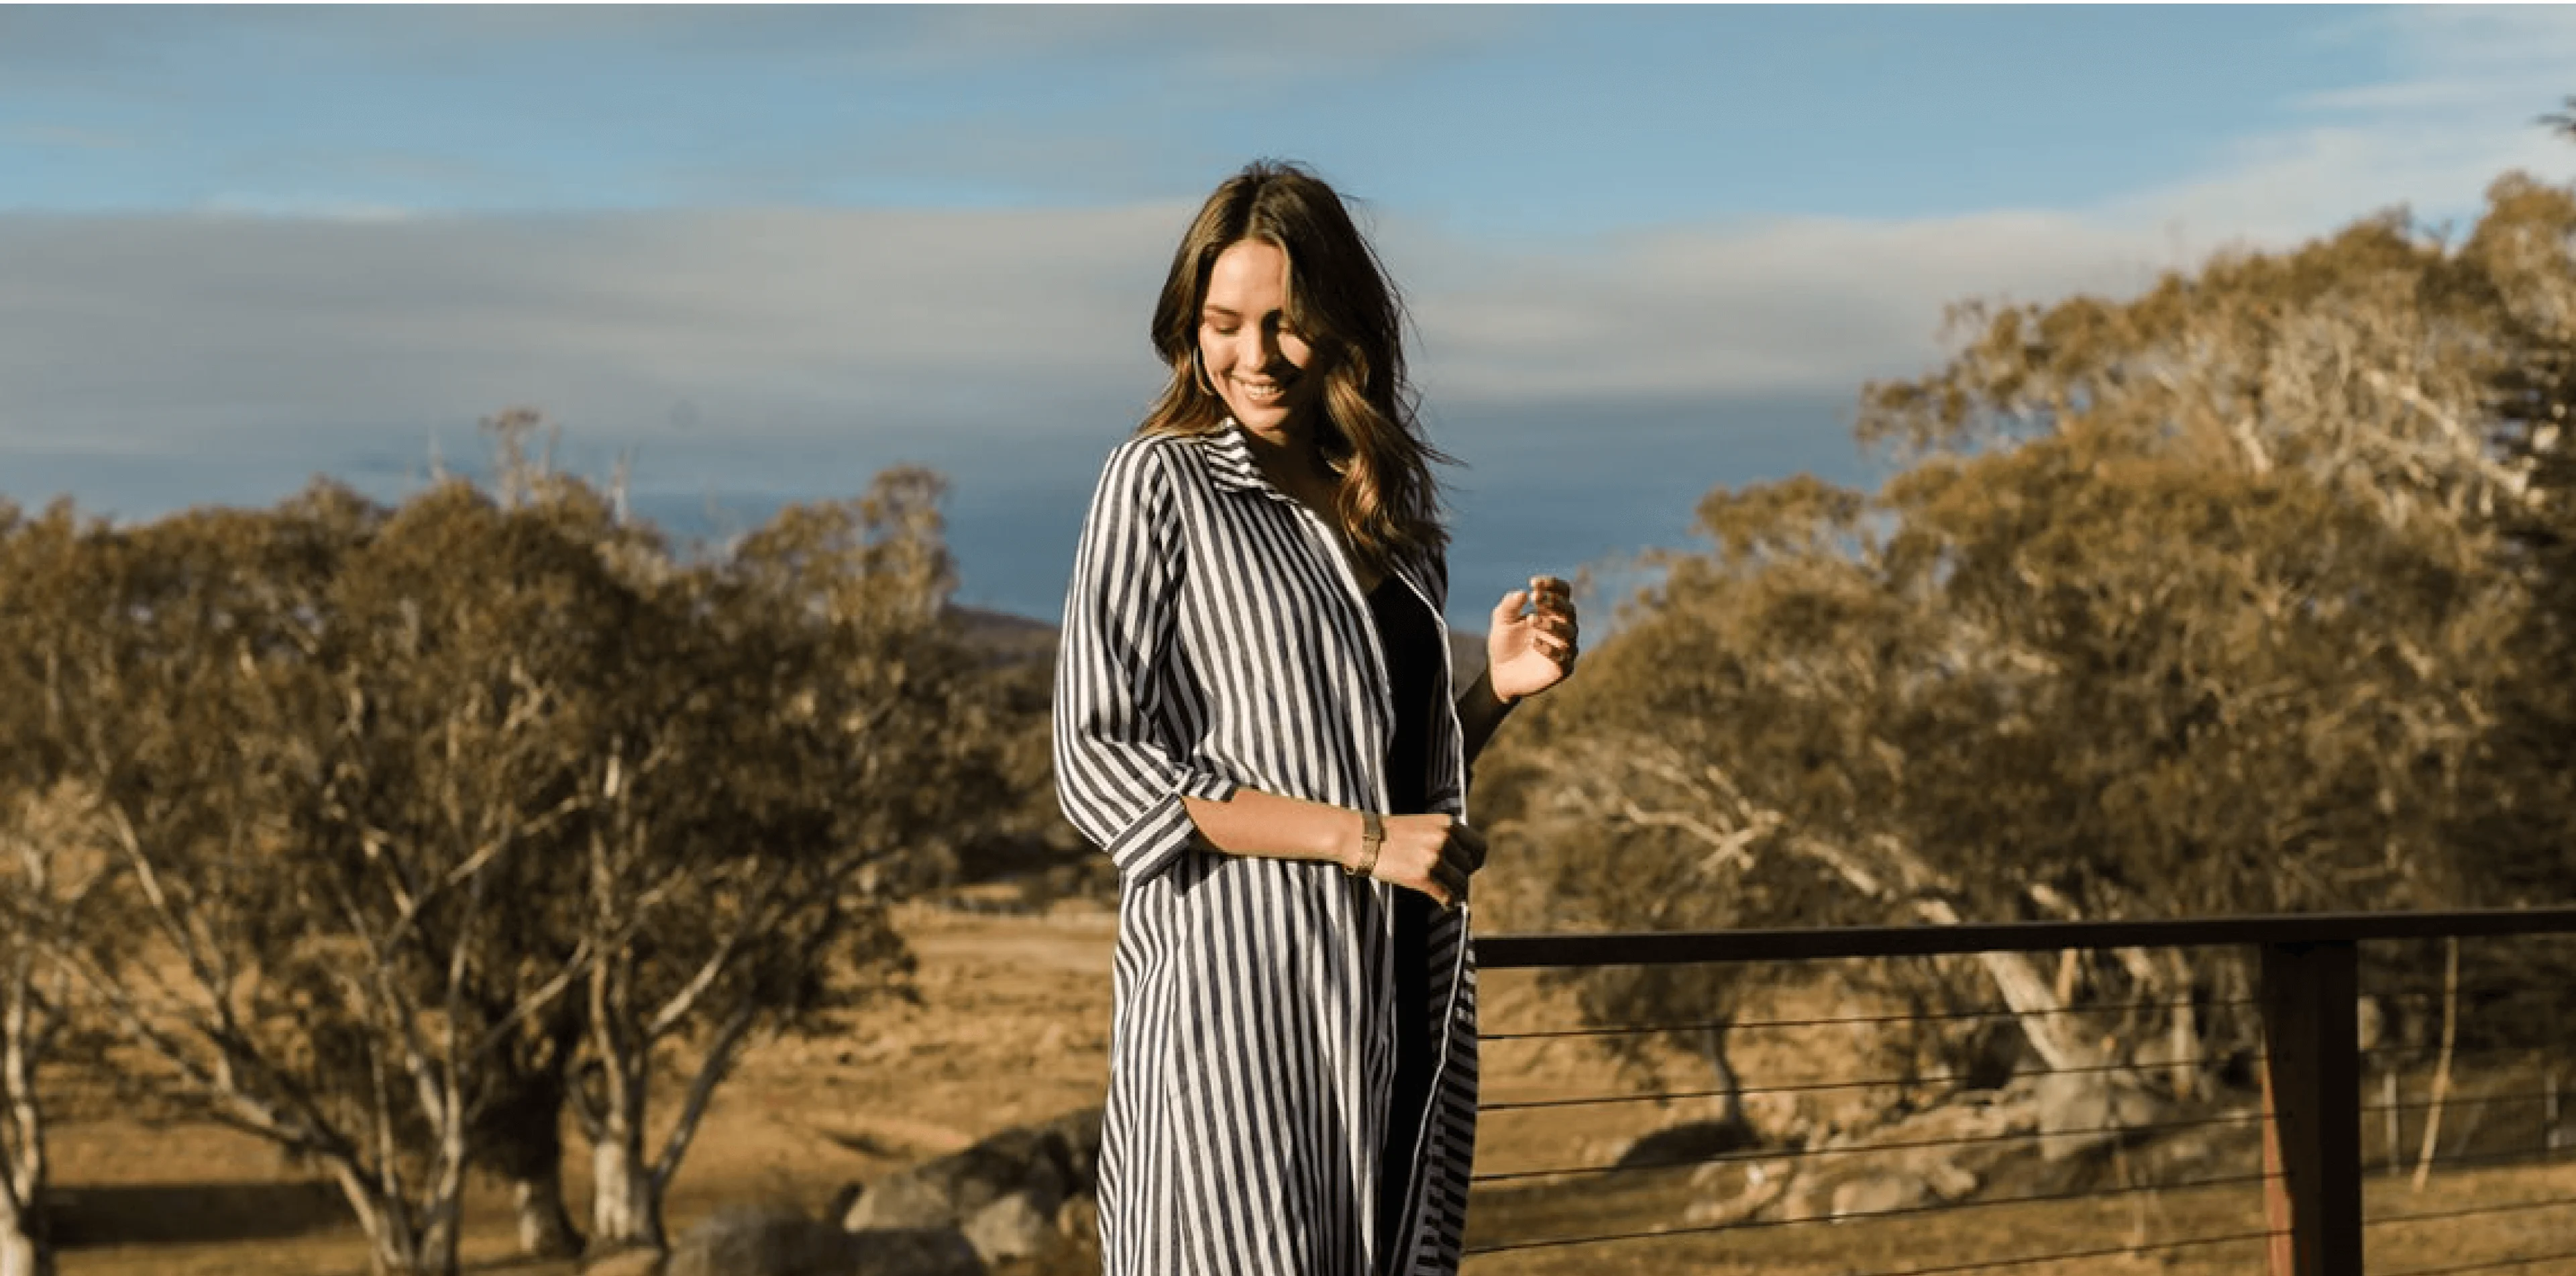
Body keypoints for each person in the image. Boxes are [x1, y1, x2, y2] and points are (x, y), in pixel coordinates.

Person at [1053, 159, 1580, 1276]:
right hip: (1234, 1005)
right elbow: (1099, 761)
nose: (1253, 355)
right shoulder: (1158, 483)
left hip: (1392, 1003)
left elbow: (1382, 769)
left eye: (1286, 324)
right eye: (1223, 323)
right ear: (1187, 328)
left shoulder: (1381, 515)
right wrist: (1361, 840)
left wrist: (1489, 692)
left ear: (1341, 326)